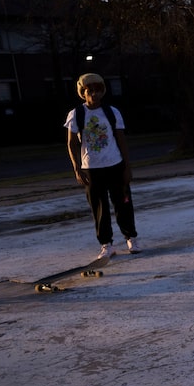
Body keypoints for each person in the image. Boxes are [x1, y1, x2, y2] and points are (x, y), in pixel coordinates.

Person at [65, 73, 141, 259]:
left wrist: (127, 167)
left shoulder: (112, 112)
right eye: (89, 90)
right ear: (83, 93)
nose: (94, 94)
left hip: (115, 164)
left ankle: (131, 237)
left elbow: (121, 140)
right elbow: (71, 143)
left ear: (102, 92)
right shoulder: (77, 114)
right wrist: (77, 168)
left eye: (98, 90)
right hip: (91, 169)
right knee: (99, 208)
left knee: (123, 203)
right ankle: (106, 244)